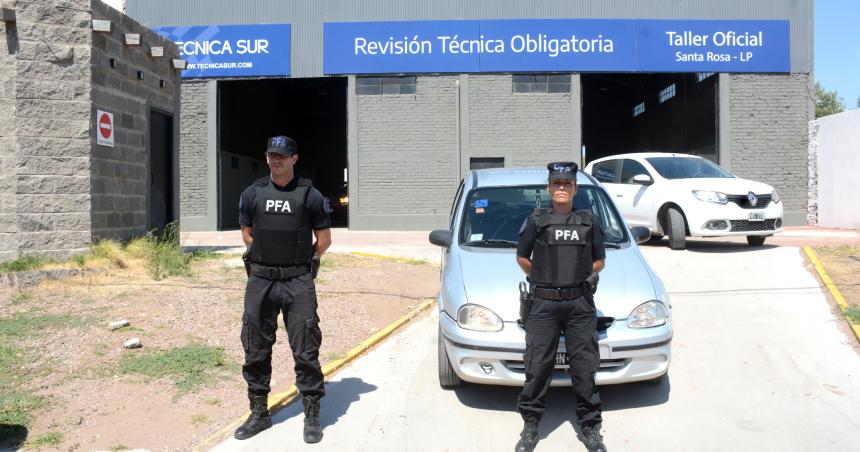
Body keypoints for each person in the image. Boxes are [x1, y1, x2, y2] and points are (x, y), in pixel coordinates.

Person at [234, 135, 332, 444]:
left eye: (282, 155)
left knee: (305, 348)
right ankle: (259, 413)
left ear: (294, 159)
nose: (275, 159)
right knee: (255, 347)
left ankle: (312, 414)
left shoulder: (310, 195)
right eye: (271, 155)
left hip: (297, 281)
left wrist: (299, 260)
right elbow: (247, 234)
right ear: (266, 158)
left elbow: (324, 241)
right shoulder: (253, 193)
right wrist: (268, 255)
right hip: (260, 280)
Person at [514, 162, 607, 452]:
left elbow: (600, 259)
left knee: (584, 366)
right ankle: (530, 426)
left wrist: (582, 279)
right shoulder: (537, 220)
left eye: (567, 183)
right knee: (538, 366)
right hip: (543, 304)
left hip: (580, 304)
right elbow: (522, 257)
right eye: (557, 183)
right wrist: (541, 278)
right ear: (549, 188)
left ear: (575, 188)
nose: (562, 188)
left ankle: (591, 428)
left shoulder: (588, 220)